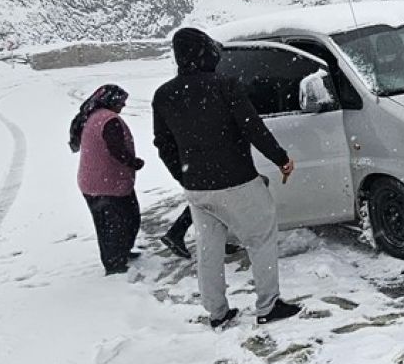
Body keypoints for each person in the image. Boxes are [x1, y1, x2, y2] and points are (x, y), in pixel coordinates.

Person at [152, 27, 301, 328]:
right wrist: (281, 159)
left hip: (197, 189)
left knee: (209, 249)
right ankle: (268, 305)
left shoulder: (164, 94)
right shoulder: (225, 85)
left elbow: (163, 145)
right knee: (261, 238)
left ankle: (217, 313)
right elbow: (253, 128)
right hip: (238, 181)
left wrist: (185, 177)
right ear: (205, 52)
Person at [69, 84, 144, 275]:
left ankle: (119, 254)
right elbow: (117, 150)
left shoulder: (93, 116)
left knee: (112, 223)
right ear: (111, 101)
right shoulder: (109, 120)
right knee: (118, 223)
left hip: (95, 181)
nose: (124, 106)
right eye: (121, 102)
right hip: (107, 183)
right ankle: (114, 265)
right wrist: (134, 162)